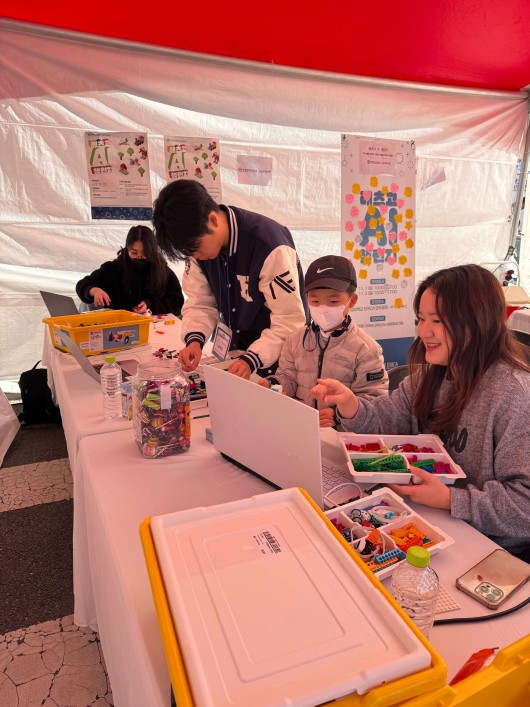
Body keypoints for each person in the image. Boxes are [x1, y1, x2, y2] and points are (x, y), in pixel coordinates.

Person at [312, 264, 530, 556]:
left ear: (478, 321)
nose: (423, 330)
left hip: (488, 547)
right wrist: (351, 406)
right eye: (421, 318)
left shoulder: (514, 394)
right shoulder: (431, 376)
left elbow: (525, 505)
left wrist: (451, 499)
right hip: (424, 521)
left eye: (437, 320)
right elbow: (388, 419)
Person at [152, 179, 307, 378]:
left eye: (196, 248)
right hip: (238, 353)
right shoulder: (200, 250)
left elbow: (289, 321)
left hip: (280, 362)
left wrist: (253, 358)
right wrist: (195, 340)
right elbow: (200, 301)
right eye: (189, 252)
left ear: (213, 220)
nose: (196, 256)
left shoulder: (269, 246)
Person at [259, 255, 388, 427]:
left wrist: (338, 415)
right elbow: (287, 377)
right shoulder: (294, 340)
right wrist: (273, 384)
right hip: (300, 427)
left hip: (341, 435)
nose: (323, 308)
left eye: (333, 301)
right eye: (315, 301)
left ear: (352, 300)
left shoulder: (367, 350)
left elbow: (374, 400)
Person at [76, 225, 184, 315]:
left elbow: (177, 303)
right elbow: (82, 284)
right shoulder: (112, 269)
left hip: (155, 327)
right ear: (127, 249)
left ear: (153, 252)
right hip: (118, 327)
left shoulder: (163, 272)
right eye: (134, 253)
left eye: (145, 253)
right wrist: (94, 290)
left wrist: (150, 305)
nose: (139, 258)